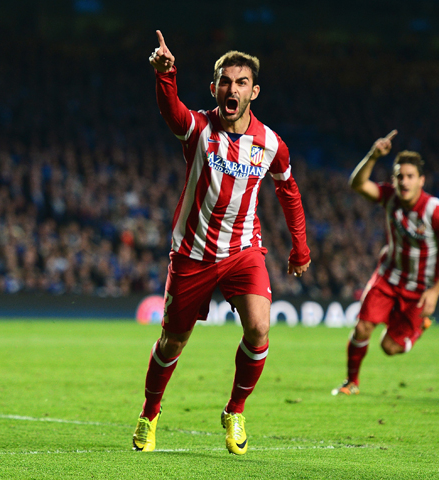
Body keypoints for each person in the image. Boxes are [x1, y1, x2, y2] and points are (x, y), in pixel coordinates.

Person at [133, 31, 311, 454]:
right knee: (173, 341)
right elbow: (171, 112)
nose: (233, 89)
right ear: (214, 88)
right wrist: (166, 74)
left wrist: (299, 247)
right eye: (226, 82)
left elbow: (289, 190)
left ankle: (235, 409)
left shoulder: (271, 145)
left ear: (255, 91)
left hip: (242, 251)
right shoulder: (198, 127)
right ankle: (149, 414)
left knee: (259, 328)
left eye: (242, 82)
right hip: (192, 254)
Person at [332, 130, 439, 396]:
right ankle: (351, 383)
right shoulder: (390, 196)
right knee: (362, 327)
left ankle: (420, 326)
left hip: (420, 288)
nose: (404, 182)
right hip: (388, 277)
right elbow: (357, 184)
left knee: (389, 347)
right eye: (399, 176)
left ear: (421, 181)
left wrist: (435, 290)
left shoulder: (438, 213)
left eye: (410, 177)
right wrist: (372, 156)